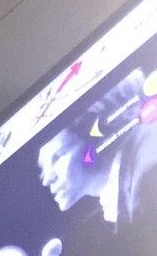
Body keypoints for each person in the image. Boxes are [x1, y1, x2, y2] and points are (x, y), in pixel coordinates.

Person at [39, 71, 157, 228]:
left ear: (92, 140)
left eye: (56, 157)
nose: (47, 180)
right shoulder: (124, 200)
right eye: (44, 173)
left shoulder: (146, 167)